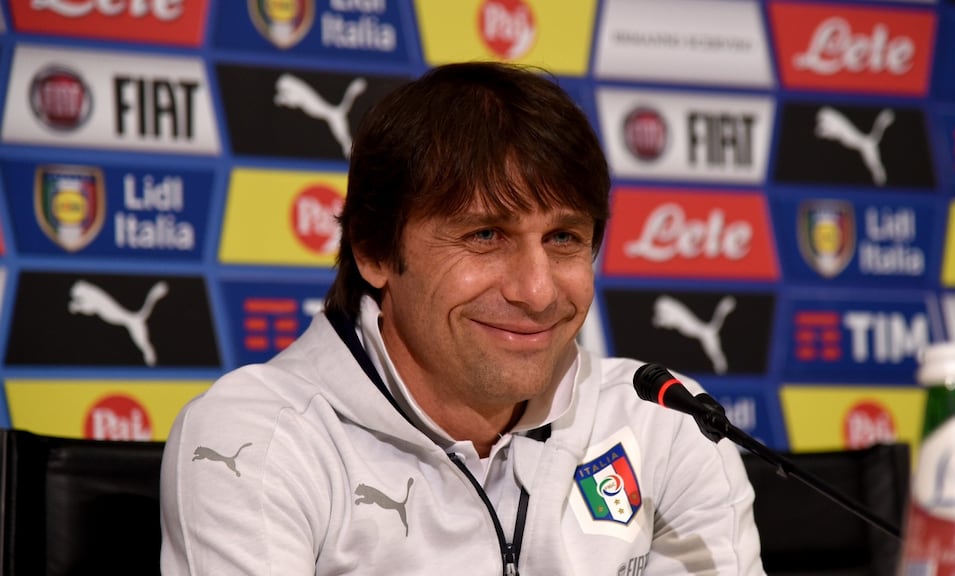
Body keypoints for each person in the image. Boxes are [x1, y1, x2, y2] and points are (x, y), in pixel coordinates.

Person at [160, 61, 765, 575]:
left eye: (563, 237)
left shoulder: (667, 423)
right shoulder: (261, 439)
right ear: (374, 250)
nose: (535, 290)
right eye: (484, 235)